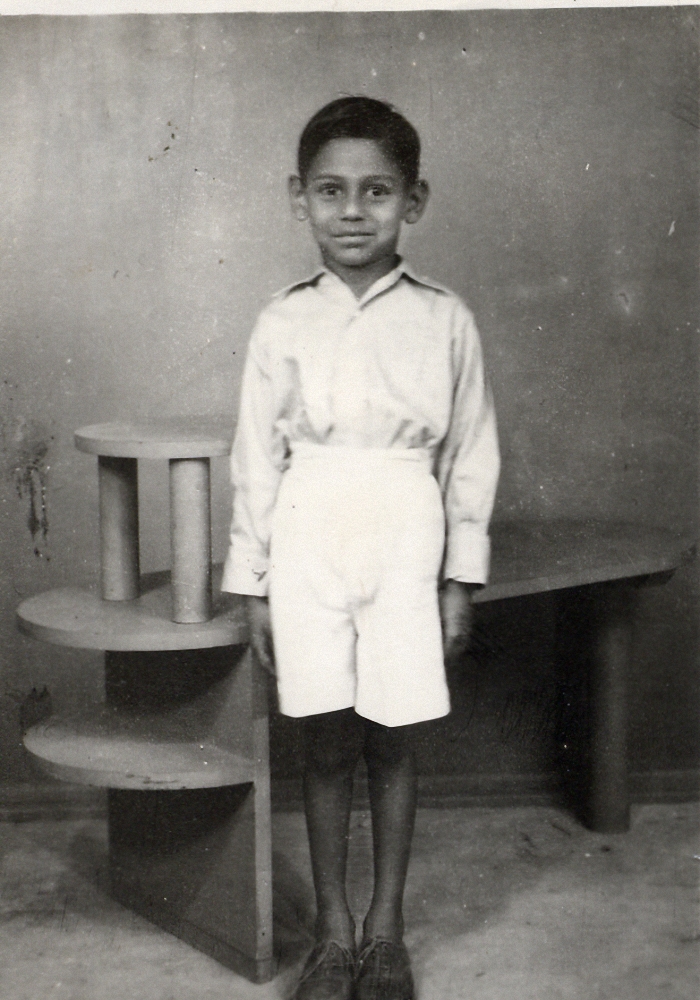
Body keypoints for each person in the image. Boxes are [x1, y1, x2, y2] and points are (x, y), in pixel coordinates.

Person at [222, 96, 500, 1000]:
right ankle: (332, 937)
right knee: (324, 741)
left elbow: (470, 453)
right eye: (330, 190)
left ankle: (387, 933)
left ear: (413, 202)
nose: (352, 211)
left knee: (394, 740)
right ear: (297, 197)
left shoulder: (445, 318)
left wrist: (459, 580)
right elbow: (255, 459)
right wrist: (254, 584)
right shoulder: (281, 321)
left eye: (376, 191)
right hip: (308, 536)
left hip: (405, 534)